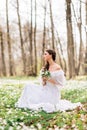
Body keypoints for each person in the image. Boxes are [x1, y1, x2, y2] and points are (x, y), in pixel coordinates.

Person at [15, 49, 81, 113]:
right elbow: (43, 84)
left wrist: (48, 79)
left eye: (45, 54)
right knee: (28, 86)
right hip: (44, 89)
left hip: (53, 92)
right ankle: (23, 103)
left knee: (46, 104)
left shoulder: (57, 67)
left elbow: (60, 83)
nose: (44, 56)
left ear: (51, 55)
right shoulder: (44, 68)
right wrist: (44, 81)